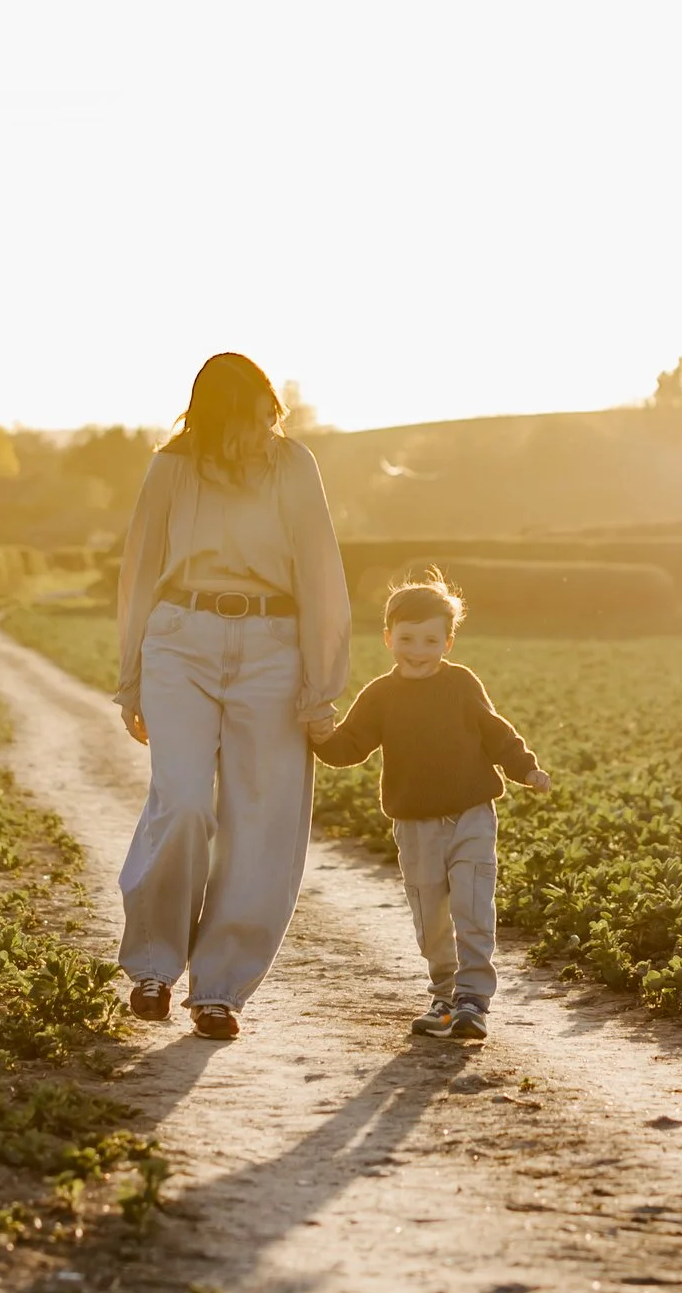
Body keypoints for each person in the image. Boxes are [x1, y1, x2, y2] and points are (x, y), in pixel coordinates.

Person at [113, 351, 349, 1041]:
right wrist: (130, 674)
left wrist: (321, 681)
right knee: (183, 801)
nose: (255, 427)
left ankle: (219, 990)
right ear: (212, 416)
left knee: (262, 818)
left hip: (273, 645)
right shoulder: (171, 466)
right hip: (179, 637)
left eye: (261, 413)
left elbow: (321, 568)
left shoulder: (294, 464)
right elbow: (139, 569)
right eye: (241, 415)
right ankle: (153, 966)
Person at [308, 568, 550, 1043]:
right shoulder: (380, 695)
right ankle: (444, 996)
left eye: (430, 640)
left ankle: (473, 1000)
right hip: (414, 825)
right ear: (388, 638)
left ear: (448, 643)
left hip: (472, 815)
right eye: (407, 639)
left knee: (472, 905)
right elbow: (350, 746)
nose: (418, 650)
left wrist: (525, 769)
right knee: (431, 917)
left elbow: (496, 734)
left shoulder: (461, 684)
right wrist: (320, 736)